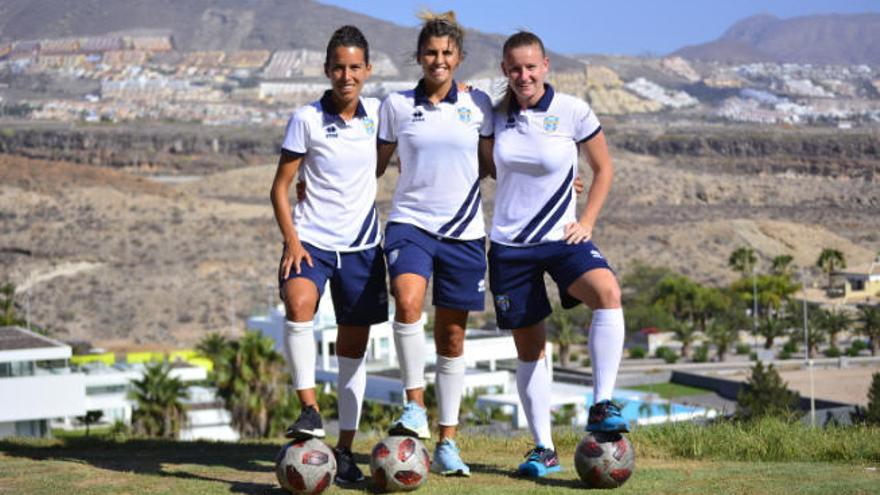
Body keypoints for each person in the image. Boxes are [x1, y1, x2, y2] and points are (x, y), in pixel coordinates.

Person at [488, 31, 627, 478]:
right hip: (511, 247)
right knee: (531, 351)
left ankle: (602, 404)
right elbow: (485, 166)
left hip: (562, 238)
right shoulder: (493, 115)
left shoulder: (572, 110)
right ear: (504, 70)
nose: (523, 75)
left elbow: (603, 168)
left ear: (546, 65)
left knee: (607, 292)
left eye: (531, 66)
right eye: (514, 68)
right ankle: (543, 450)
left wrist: (586, 221)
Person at [375, 11, 494, 477]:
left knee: (451, 336)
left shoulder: (479, 103)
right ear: (419, 57)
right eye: (431, 52)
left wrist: (562, 183)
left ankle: (448, 440)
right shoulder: (396, 105)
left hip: (465, 232)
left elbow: (494, 164)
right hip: (410, 223)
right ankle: (414, 407)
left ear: (458, 58)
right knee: (407, 302)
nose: (438, 60)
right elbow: (373, 166)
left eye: (446, 53)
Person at [270, 25, 387, 485]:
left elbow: (431, 115)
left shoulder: (381, 114)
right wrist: (293, 241)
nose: (346, 75)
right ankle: (308, 409)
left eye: (355, 67)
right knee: (298, 305)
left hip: (362, 248)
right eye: (338, 66)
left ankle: (343, 452)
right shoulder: (306, 118)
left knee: (351, 351)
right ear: (326, 69)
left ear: (368, 70)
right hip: (311, 243)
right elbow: (280, 188)